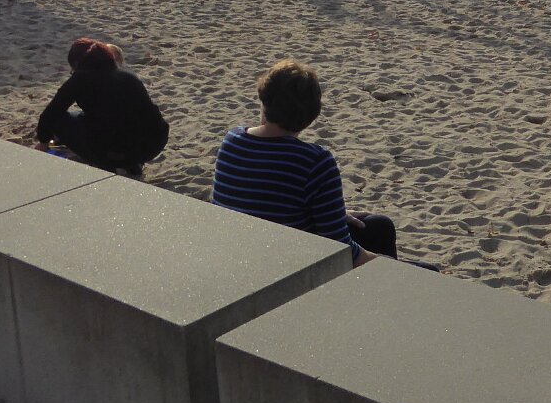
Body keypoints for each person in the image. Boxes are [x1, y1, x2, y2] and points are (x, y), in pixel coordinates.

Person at [212, 60, 398, 265]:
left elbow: (261, 202)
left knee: (378, 225)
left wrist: (334, 215)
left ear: (264, 99)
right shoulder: (315, 161)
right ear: (311, 115)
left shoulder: (232, 140)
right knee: (409, 260)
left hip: (238, 251)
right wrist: (392, 266)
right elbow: (341, 251)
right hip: (285, 264)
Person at [36, 38, 168, 176]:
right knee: (104, 118)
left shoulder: (81, 78)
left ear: (77, 64)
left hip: (113, 151)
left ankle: (110, 162)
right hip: (153, 144)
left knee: (61, 120)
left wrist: (43, 141)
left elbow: (50, 114)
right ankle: (132, 163)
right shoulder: (128, 76)